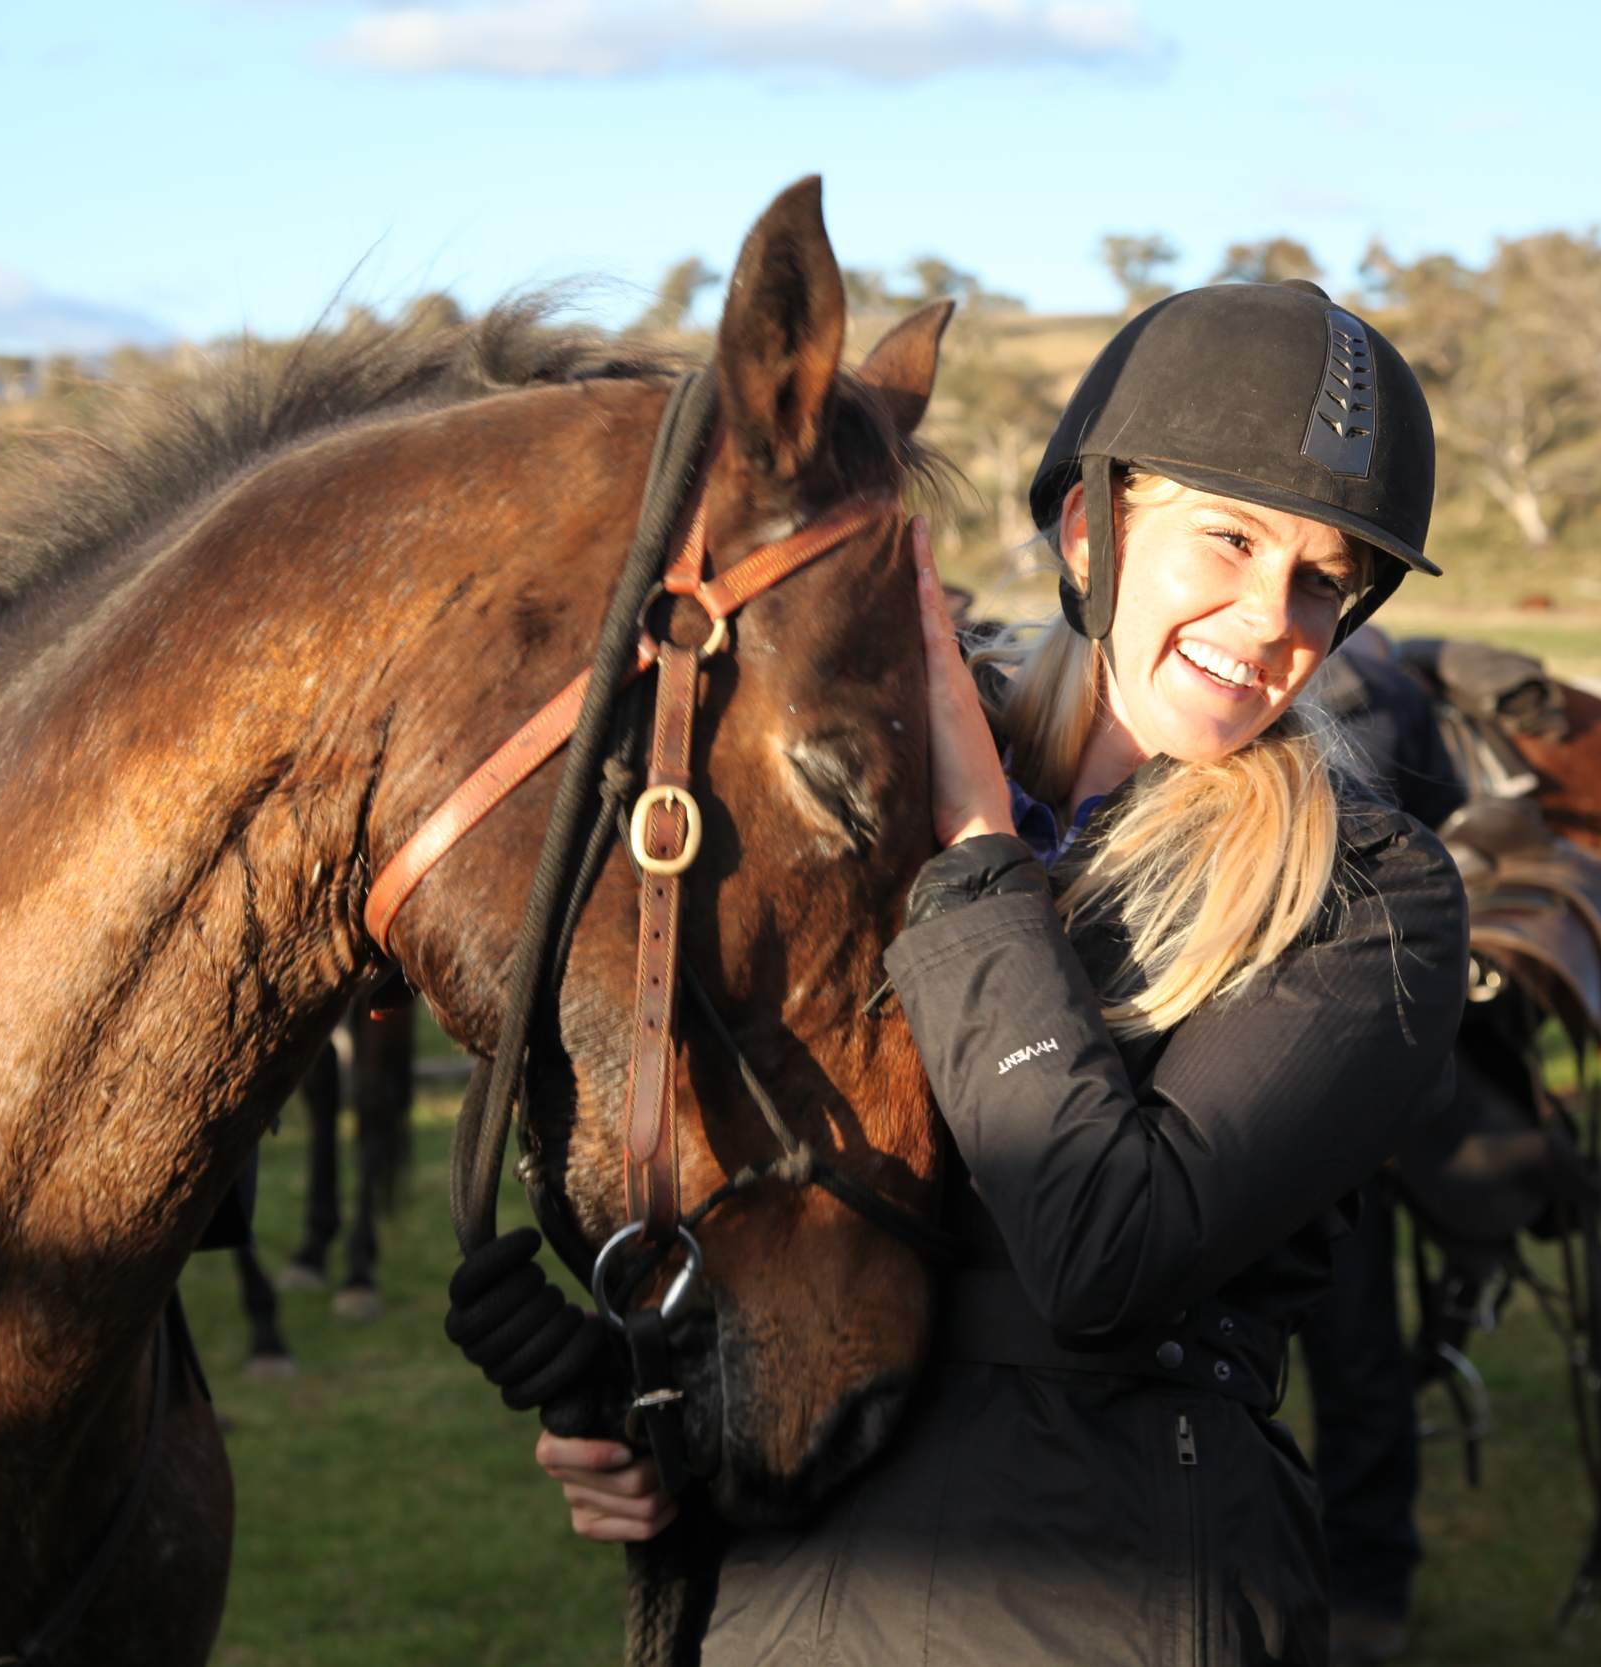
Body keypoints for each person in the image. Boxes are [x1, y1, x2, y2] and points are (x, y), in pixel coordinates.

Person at [536, 279, 1470, 1664]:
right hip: (789, 1582)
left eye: (1324, 579)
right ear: (1091, 527)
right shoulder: (873, 783)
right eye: (1229, 537)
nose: (1275, 616)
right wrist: (646, 1393)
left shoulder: (1371, 895)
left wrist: (975, 856)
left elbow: (1108, 1247)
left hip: (1113, 1584)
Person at [1293, 624, 1466, 1663]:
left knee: (1354, 1345)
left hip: (1338, 1049)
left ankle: (1367, 1570)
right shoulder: (1387, 684)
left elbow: (1430, 833)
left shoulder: (1380, 694)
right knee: (1355, 1345)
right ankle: (1366, 1571)